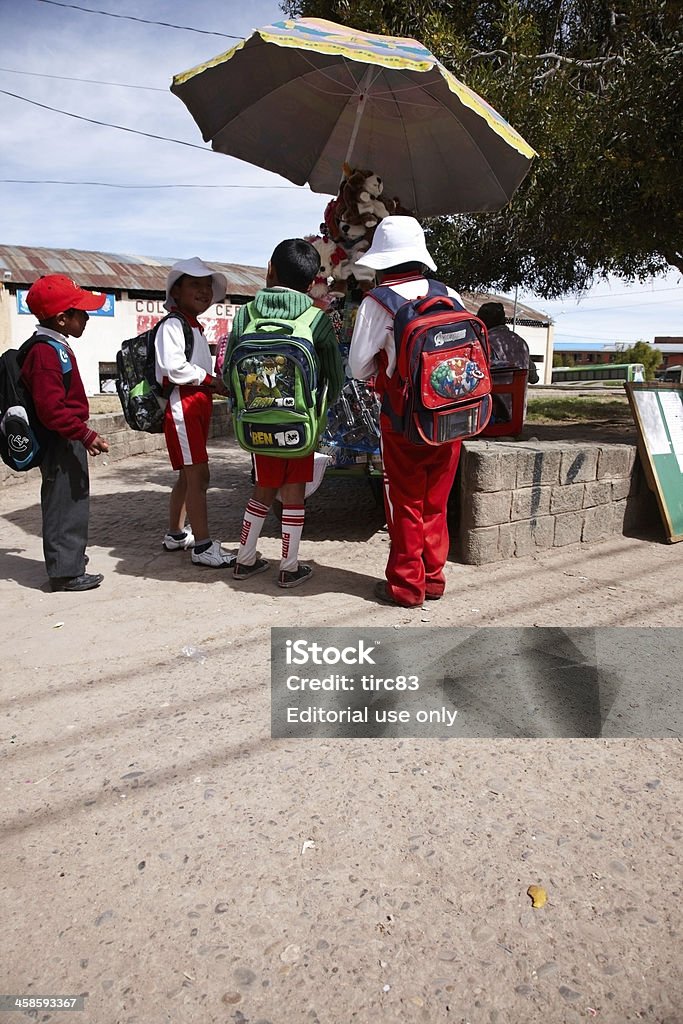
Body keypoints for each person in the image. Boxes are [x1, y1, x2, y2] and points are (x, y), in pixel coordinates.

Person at [348, 216, 465, 608]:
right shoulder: (450, 294)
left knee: (405, 502)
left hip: (402, 419)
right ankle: (433, 578)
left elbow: (359, 368)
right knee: (436, 500)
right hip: (452, 415)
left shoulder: (377, 303)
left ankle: (406, 586)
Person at [224, 239, 343, 588]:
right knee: (294, 494)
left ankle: (245, 559)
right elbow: (334, 378)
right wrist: (316, 414)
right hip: (301, 426)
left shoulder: (245, 315)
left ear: (269, 270)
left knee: (262, 488)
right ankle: (289, 567)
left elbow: (229, 370)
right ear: (311, 284)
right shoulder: (316, 319)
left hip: (258, 424)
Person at [21, 274, 110, 592]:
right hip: (61, 439)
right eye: (81, 311)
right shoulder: (46, 353)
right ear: (62, 318)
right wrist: (85, 435)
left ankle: (70, 560)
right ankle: (64, 571)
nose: (87, 317)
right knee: (64, 500)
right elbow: (52, 409)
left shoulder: (55, 346)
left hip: (67, 436)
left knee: (73, 497)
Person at [156, 257, 235, 568]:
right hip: (184, 404)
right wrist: (210, 380)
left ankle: (176, 534)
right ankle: (203, 546)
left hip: (195, 403)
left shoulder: (192, 327)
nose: (203, 291)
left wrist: (212, 384)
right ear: (176, 291)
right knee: (199, 477)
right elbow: (172, 367)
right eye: (195, 285)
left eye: (207, 286)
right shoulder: (173, 325)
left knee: (187, 477)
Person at [476, 301, 539, 383]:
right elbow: (534, 378)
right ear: (503, 320)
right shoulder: (521, 342)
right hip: (519, 395)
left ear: (482, 322)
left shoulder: (483, 342)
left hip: (493, 394)